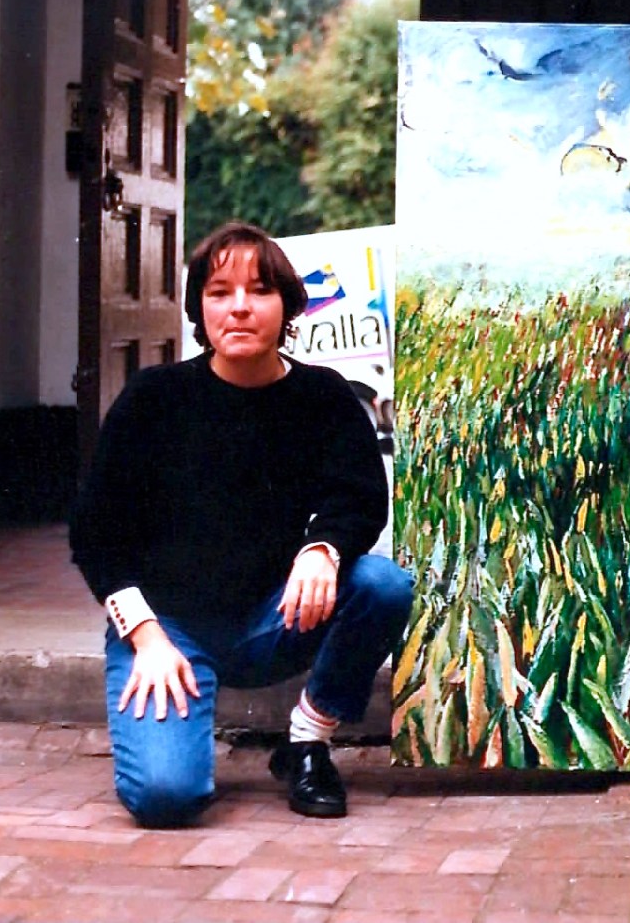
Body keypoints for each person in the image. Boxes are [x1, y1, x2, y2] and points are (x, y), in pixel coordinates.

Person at [70, 221, 413, 828]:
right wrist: (145, 636)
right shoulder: (154, 398)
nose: (239, 307)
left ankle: (306, 743)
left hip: (275, 618)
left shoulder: (324, 396)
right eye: (219, 292)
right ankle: (174, 733)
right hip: (169, 628)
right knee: (166, 798)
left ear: (288, 307)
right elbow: (95, 533)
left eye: (259, 290)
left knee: (382, 585)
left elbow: (359, 498)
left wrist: (323, 548)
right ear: (199, 308)